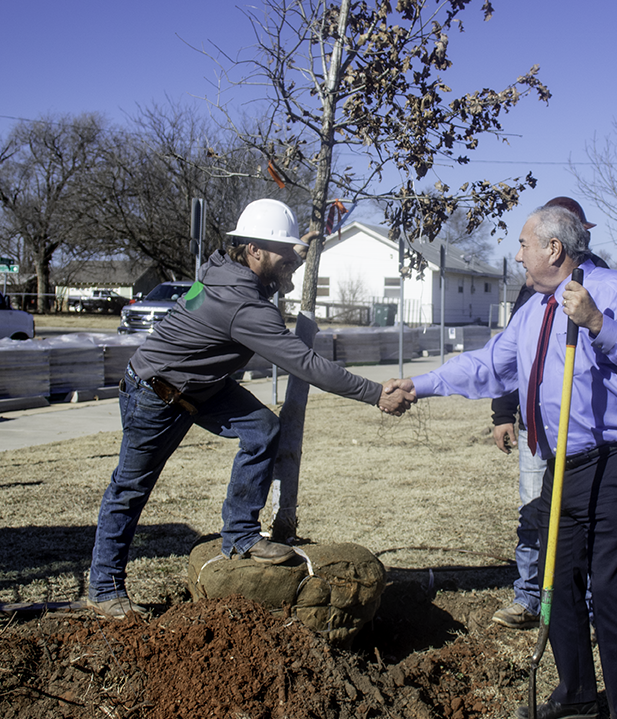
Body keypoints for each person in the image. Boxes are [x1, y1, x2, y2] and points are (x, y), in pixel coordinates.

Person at [391, 203, 617, 719]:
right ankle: (575, 690)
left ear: (554, 250)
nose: (517, 252)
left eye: (523, 243)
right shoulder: (535, 308)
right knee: (555, 578)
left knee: (610, 587)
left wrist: (596, 323)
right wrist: (421, 384)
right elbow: (490, 366)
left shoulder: (612, 289)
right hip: (564, 463)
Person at [86, 199, 411, 620]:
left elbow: (267, 267)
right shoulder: (244, 306)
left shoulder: (224, 266)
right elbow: (306, 364)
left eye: (294, 251)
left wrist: (294, 250)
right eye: (284, 252)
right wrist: (374, 393)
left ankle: (240, 534)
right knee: (129, 489)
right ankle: (104, 586)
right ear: (254, 251)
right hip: (154, 394)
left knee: (262, 429)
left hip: (202, 388)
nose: (293, 260)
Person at [488, 196, 605, 630]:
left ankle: (589, 608)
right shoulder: (532, 288)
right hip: (535, 427)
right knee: (533, 512)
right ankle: (530, 596)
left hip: (580, 432)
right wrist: (503, 412)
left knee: (583, 520)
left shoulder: (599, 282)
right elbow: (511, 356)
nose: (519, 255)